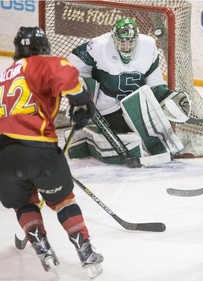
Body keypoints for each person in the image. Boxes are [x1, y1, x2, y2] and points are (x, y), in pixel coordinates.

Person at [0, 26, 103, 278]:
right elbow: (68, 77)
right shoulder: (43, 62)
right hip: (37, 147)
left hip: (2, 155)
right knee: (62, 200)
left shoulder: (4, 75)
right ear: (43, 46)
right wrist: (82, 103)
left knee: (24, 202)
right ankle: (86, 253)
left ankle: (43, 249)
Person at [67, 17, 189, 165]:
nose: (126, 46)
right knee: (138, 136)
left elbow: (155, 82)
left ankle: (158, 148)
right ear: (114, 38)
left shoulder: (148, 45)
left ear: (136, 38)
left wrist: (167, 96)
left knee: (154, 130)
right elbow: (71, 67)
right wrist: (85, 91)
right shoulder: (98, 45)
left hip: (136, 104)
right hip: (107, 105)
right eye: (122, 41)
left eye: (130, 41)